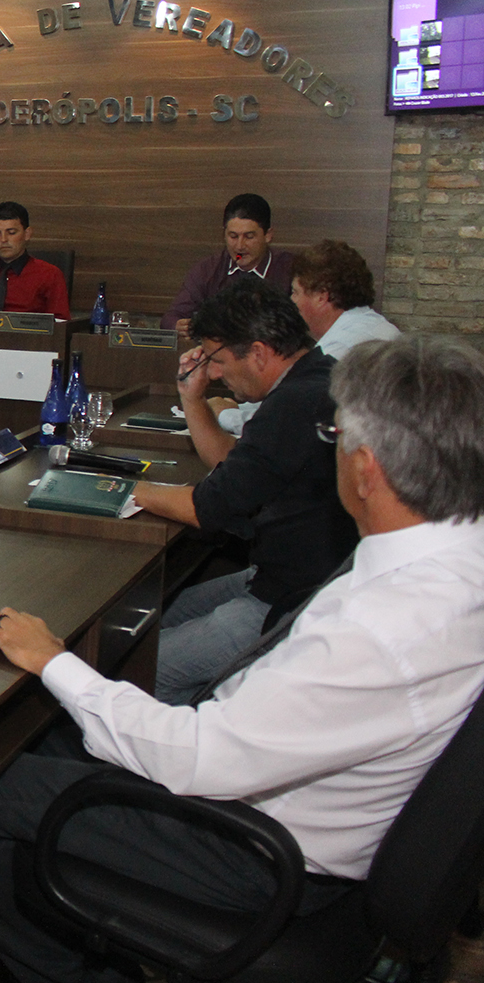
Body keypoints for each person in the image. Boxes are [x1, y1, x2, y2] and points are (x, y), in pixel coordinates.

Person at [0, 336, 484, 983]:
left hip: (251, 849)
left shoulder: (383, 628)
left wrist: (53, 661)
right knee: (44, 737)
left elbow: (195, 757)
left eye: (335, 435)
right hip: (288, 803)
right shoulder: (454, 566)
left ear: (366, 468)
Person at [131, 277, 357, 704]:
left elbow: (208, 508)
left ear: (258, 352)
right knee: (160, 616)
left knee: (138, 670)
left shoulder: (294, 404)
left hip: (289, 602)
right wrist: (193, 399)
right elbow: (232, 466)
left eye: (217, 360)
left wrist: (122, 488)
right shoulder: (319, 376)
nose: (213, 373)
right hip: (283, 577)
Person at [217, 239, 401, 435]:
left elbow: (288, 417)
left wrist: (223, 414)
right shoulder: (364, 327)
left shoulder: (344, 346)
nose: (291, 301)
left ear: (322, 296)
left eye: (296, 292)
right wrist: (239, 408)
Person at [162, 193, 294, 337]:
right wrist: (178, 325)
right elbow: (170, 319)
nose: (240, 246)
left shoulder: (290, 269)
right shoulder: (207, 270)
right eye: (233, 236)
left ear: (268, 235)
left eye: (249, 237)